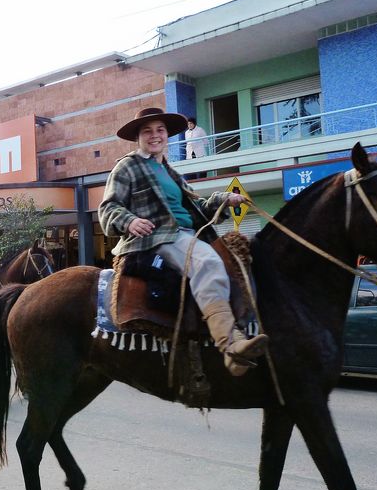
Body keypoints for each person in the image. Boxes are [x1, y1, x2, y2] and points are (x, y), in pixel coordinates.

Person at [99, 107, 267, 377]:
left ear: (167, 135)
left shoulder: (169, 170)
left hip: (189, 233)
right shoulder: (128, 165)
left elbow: (196, 205)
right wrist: (129, 221)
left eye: (160, 130)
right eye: (147, 131)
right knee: (208, 262)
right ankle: (231, 346)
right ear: (138, 137)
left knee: (239, 259)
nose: (155, 136)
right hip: (159, 237)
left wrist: (225, 198)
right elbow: (107, 208)